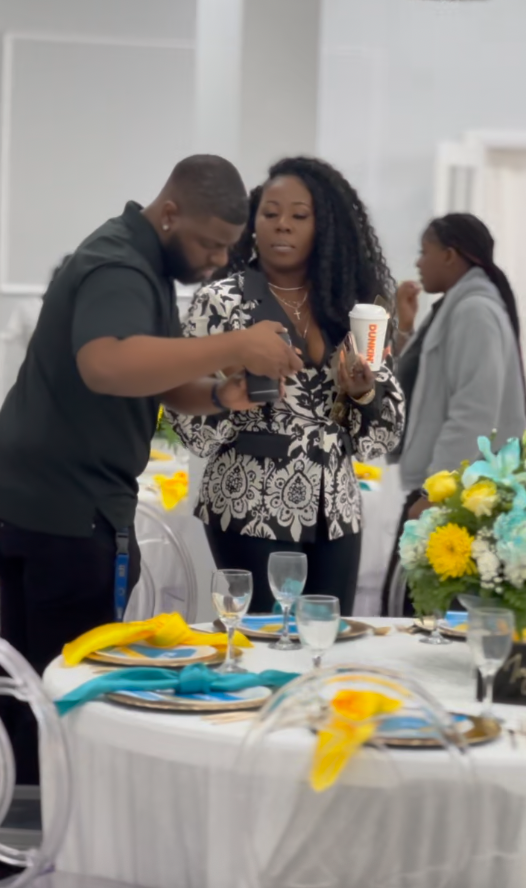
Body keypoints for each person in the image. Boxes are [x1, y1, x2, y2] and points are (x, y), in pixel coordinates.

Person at [0, 154, 302, 783]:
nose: (218, 261)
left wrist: (221, 394)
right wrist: (236, 344)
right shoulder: (120, 264)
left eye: (226, 249)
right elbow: (106, 366)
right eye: (211, 244)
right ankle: (53, 840)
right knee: (66, 697)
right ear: (170, 213)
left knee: (24, 692)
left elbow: (152, 380)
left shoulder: (138, 262)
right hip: (70, 521)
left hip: (34, 505)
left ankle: (25, 825)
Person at [171, 156, 405, 613]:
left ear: (327, 227)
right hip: (248, 505)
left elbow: (382, 437)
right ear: (252, 222)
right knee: (261, 643)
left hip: (336, 510)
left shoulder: (355, 309)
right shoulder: (221, 303)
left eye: (299, 215)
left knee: (324, 642)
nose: (282, 225)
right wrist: (233, 385)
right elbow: (191, 429)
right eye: (270, 213)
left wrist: (362, 392)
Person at [382, 212, 526, 614]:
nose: (417, 263)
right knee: (410, 610)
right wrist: (406, 328)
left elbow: (472, 415)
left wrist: (434, 492)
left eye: (423, 252)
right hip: (451, 486)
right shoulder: (456, 307)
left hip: (453, 491)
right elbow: (422, 387)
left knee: (418, 616)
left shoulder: (473, 311)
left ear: (450, 255)